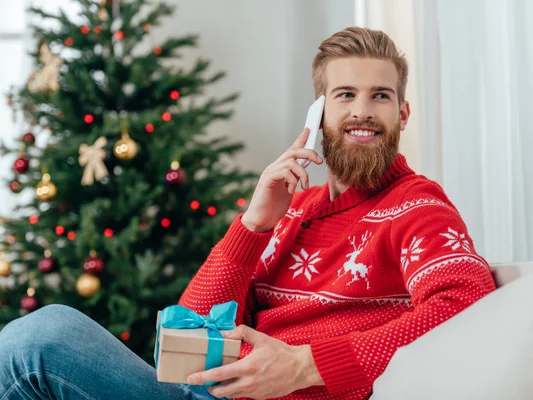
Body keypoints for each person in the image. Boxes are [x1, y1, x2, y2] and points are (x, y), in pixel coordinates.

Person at [0, 27, 496, 400]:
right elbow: (185, 337)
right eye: (345, 95)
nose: (362, 111)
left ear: (401, 115)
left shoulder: (419, 208)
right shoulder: (294, 209)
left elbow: (467, 304)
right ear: (318, 114)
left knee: (42, 338)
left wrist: (306, 365)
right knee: (38, 342)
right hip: (208, 392)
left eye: (380, 96)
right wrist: (253, 226)